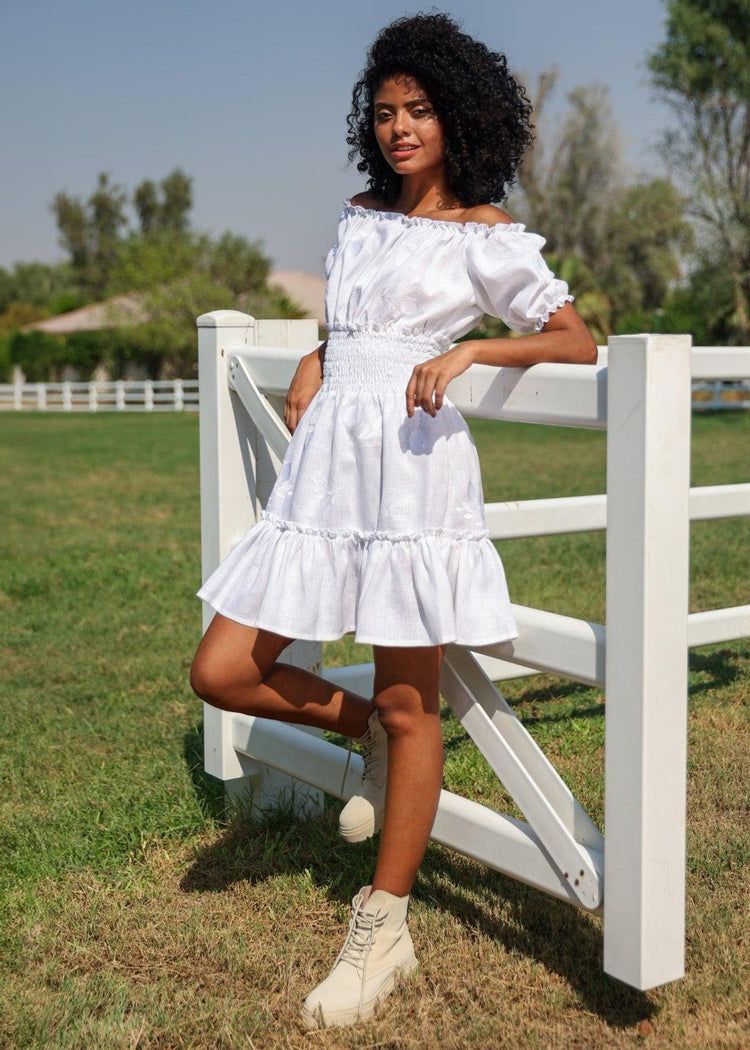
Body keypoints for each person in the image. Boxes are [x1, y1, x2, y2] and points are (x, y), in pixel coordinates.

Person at [190, 11, 597, 1029]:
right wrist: (325, 351)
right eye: (383, 113)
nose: (399, 128)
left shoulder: (486, 237)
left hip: (414, 476)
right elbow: (352, 315)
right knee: (223, 669)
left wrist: (471, 353)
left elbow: (575, 338)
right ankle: (368, 726)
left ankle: (385, 926)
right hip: (327, 478)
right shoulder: (363, 214)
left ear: (457, 119)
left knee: (419, 704)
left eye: (417, 111)